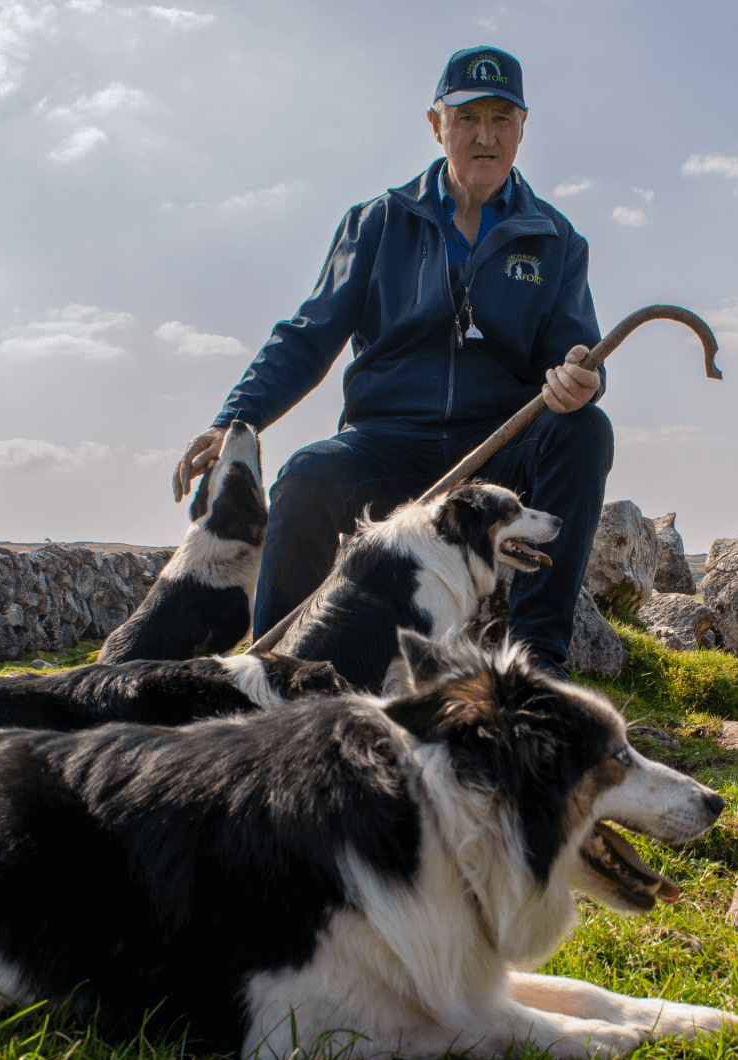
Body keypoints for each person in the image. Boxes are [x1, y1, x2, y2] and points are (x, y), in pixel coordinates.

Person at [170, 45, 609, 679]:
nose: (484, 136)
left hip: (495, 449)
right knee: (306, 474)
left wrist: (582, 380)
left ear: (521, 128)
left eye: (500, 118)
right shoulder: (376, 222)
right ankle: (276, 673)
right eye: (466, 119)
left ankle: (536, 662)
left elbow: (575, 351)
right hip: (384, 441)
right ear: (437, 125)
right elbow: (309, 333)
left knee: (584, 429)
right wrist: (233, 419)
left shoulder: (557, 239)